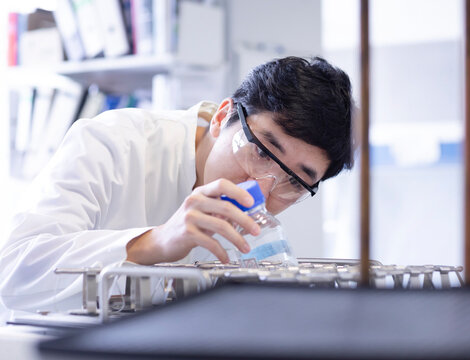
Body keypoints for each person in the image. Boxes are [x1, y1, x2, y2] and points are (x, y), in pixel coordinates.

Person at [0, 56, 353, 312]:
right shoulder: (113, 142)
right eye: (261, 150)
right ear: (222, 116)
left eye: (294, 180)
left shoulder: (261, 225)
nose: (262, 187)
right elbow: (12, 274)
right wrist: (154, 242)